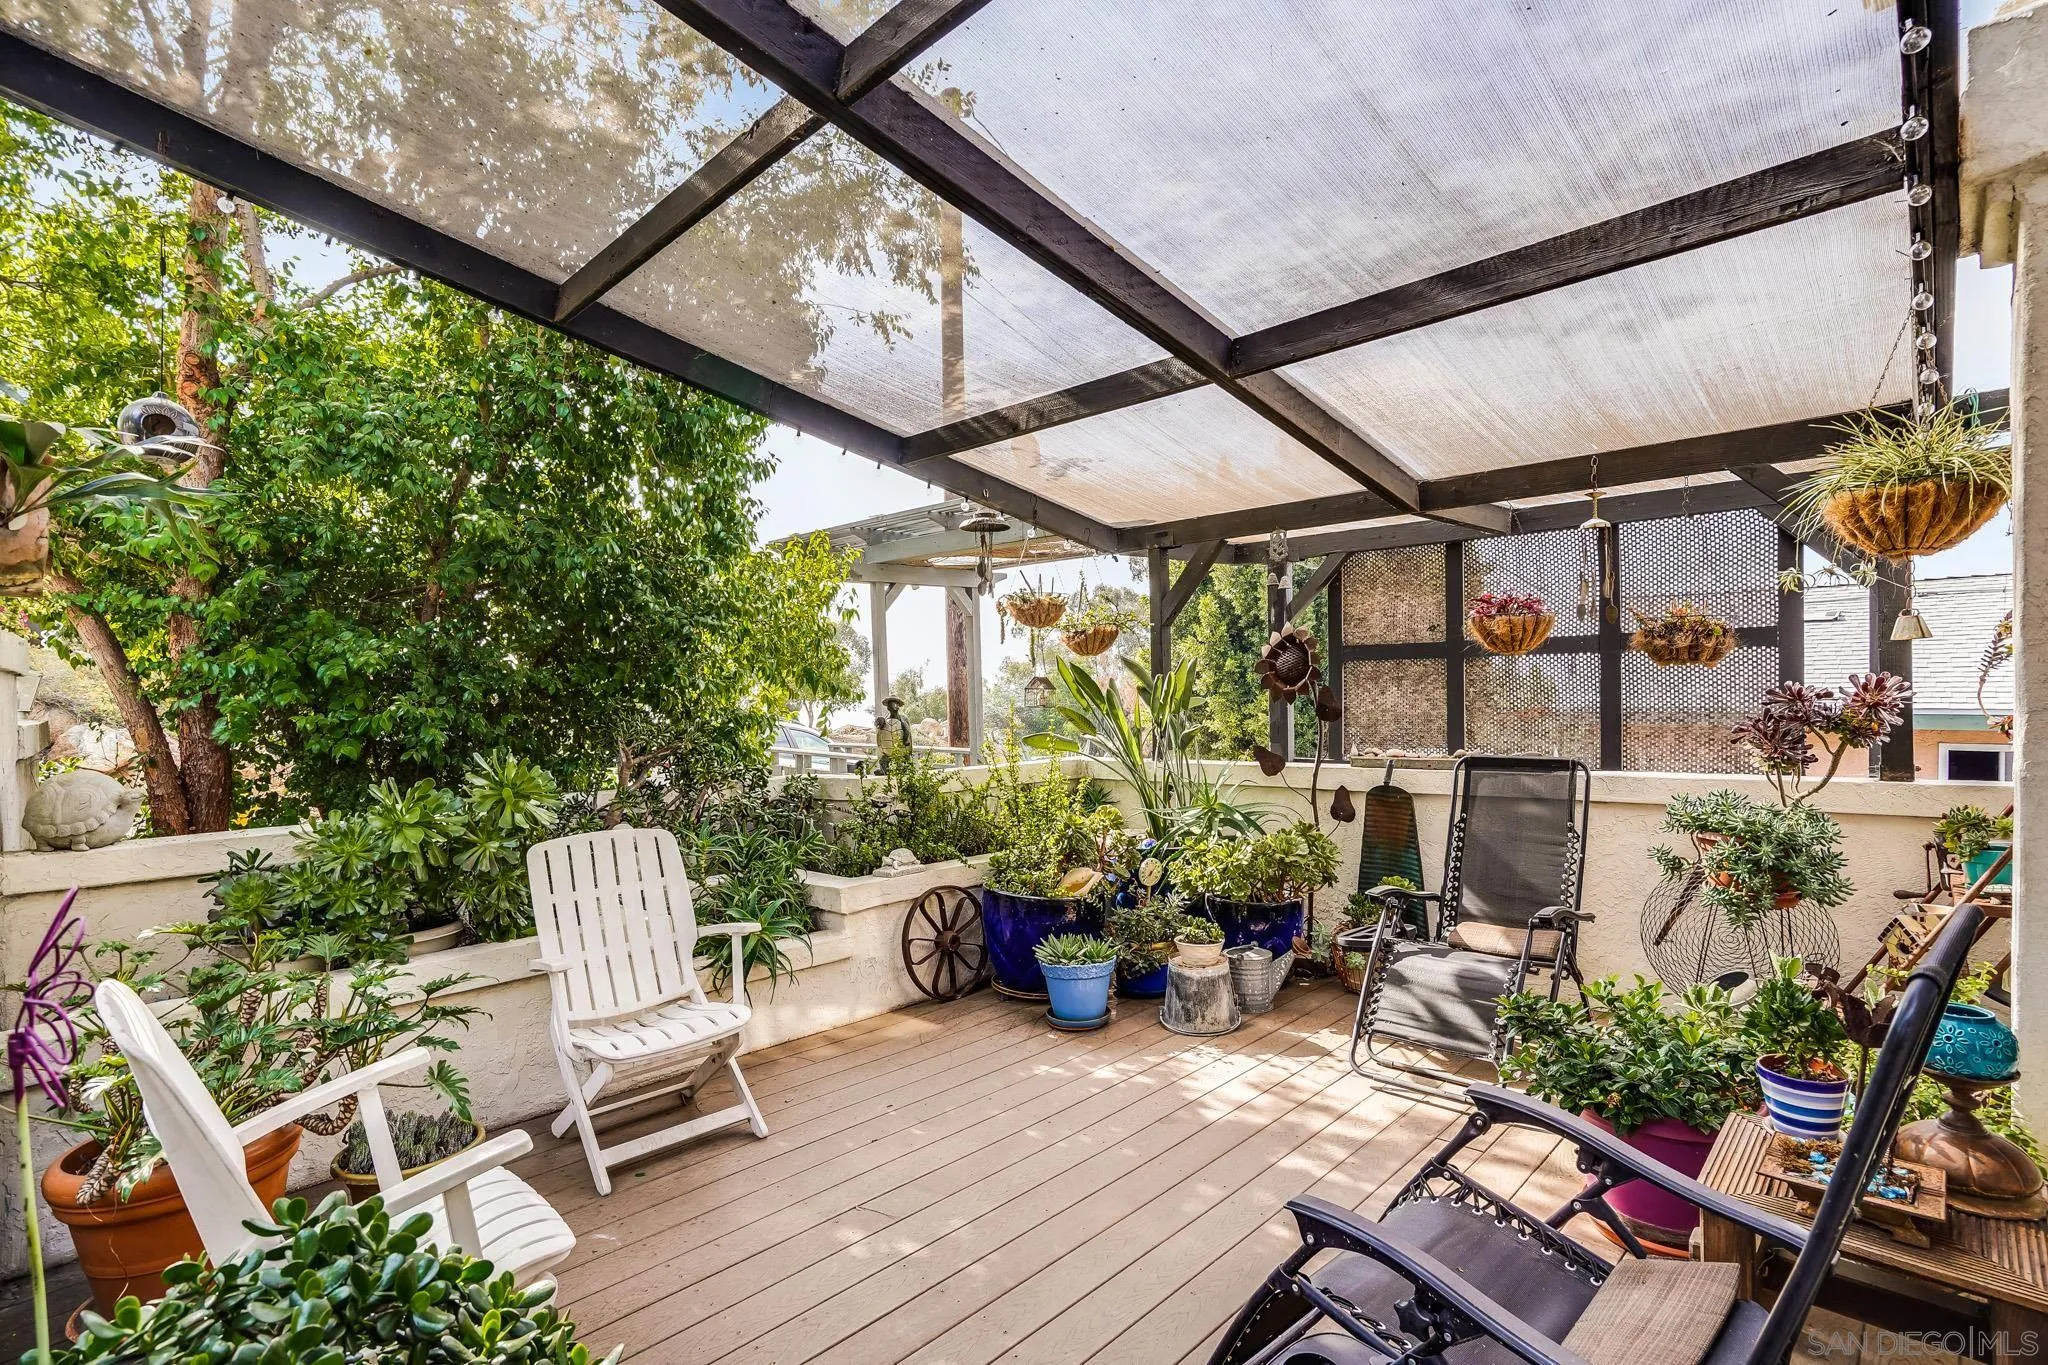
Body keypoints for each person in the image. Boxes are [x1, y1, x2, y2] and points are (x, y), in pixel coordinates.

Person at [875, 695, 912, 772]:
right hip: (886, 749)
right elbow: (878, 727)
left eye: (895, 704)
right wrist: (879, 722)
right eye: (890, 704)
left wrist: (906, 739)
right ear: (888, 707)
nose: (893, 706)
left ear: (898, 706)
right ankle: (883, 770)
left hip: (902, 747)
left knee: (905, 758)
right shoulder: (884, 719)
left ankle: (906, 768)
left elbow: (907, 730)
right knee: (884, 759)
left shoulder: (903, 718)